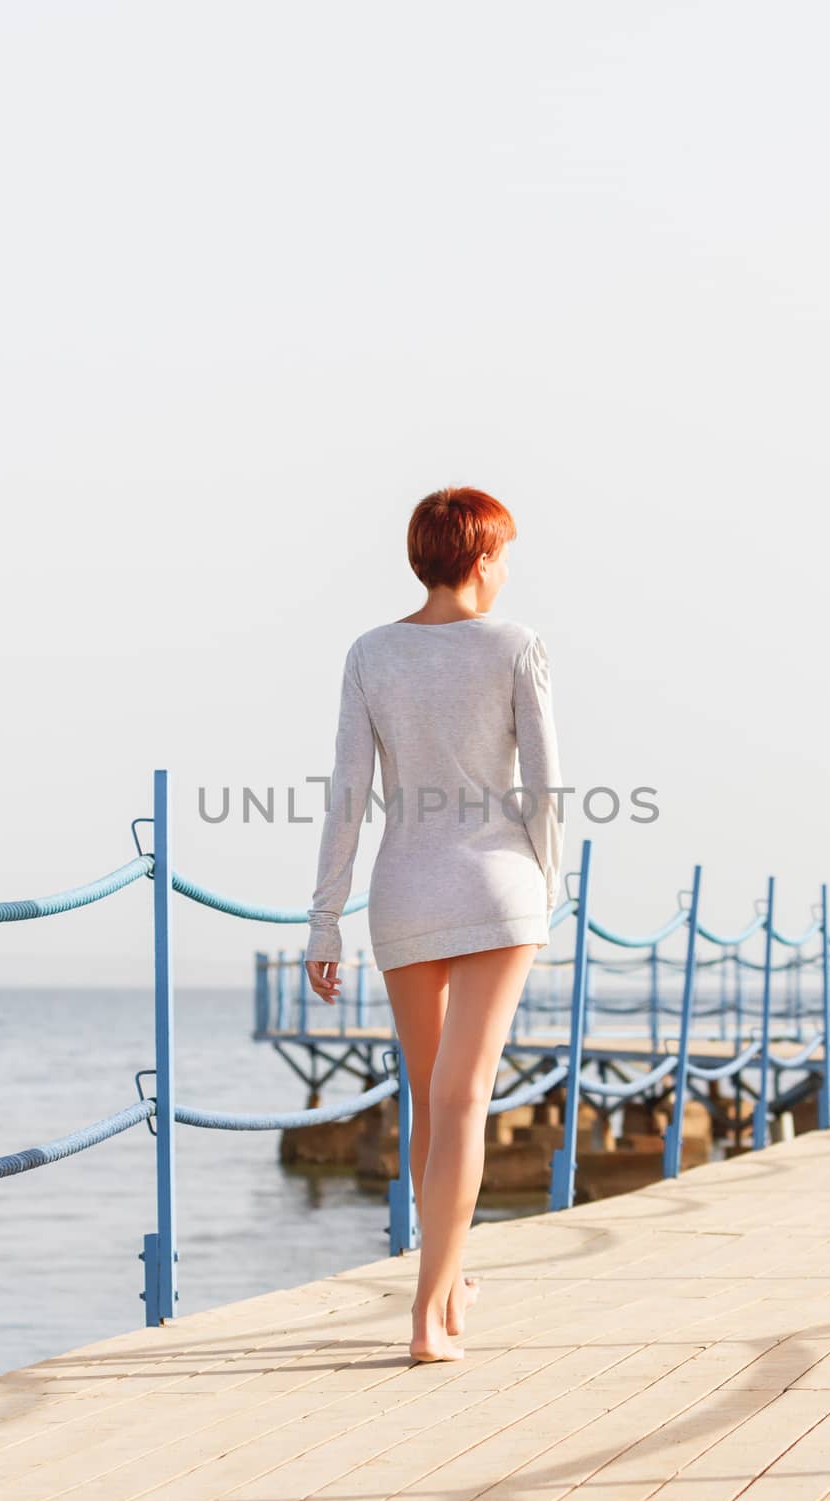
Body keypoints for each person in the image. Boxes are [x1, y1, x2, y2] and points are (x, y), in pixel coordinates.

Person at [303, 486, 565, 1363]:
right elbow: (543, 789)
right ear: (482, 558)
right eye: (504, 556)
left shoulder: (371, 653)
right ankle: (426, 1317)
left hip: (403, 890)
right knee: (463, 1102)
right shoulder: (516, 646)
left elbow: (346, 794)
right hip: (498, 890)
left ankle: (446, 1292)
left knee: (431, 1102)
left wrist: (324, 922)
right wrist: (549, 889)